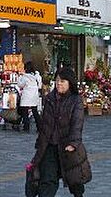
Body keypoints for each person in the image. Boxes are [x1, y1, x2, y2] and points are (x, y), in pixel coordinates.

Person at [29, 67, 90, 197]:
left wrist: (73, 143)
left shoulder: (76, 100)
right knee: (47, 180)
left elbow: (77, 123)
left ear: (70, 83)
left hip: (67, 146)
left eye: (62, 81)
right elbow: (45, 125)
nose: (59, 84)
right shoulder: (49, 99)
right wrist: (40, 143)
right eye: (57, 81)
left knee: (75, 179)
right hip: (50, 146)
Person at [18, 61, 42, 132]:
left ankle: (26, 127)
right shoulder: (37, 76)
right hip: (34, 95)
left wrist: (19, 77)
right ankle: (39, 127)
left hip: (26, 96)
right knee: (35, 112)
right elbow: (40, 86)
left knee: (25, 112)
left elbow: (20, 85)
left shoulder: (25, 77)